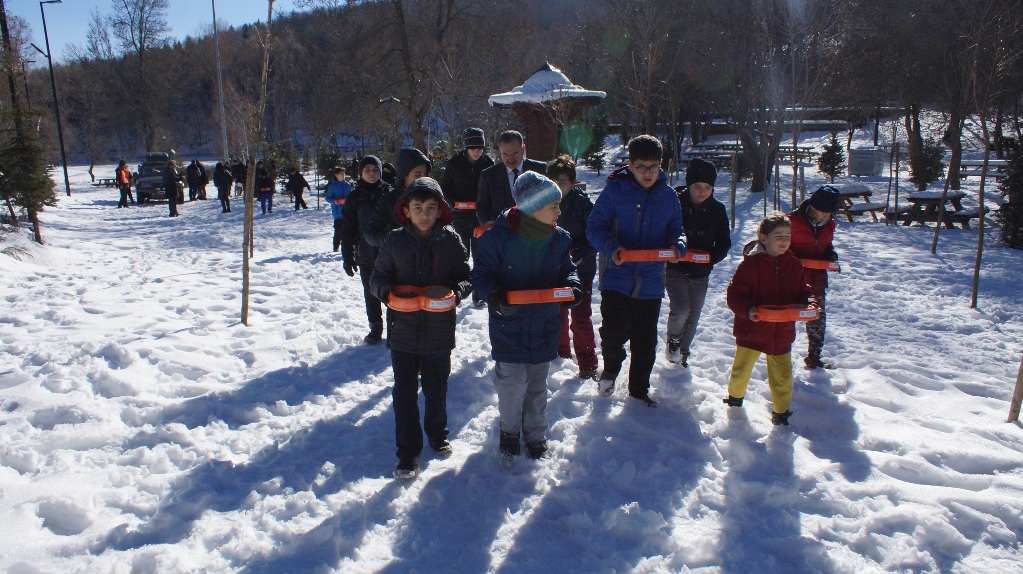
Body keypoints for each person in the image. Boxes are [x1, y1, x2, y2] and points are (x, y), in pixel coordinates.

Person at [472, 171, 582, 461]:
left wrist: (573, 286)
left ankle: (536, 434)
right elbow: (481, 275)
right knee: (510, 385)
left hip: (544, 324)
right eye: (552, 206)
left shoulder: (559, 238)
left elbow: (567, 269)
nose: (559, 211)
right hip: (509, 325)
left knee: (536, 385)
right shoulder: (498, 238)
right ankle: (509, 432)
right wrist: (494, 295)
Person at [370, 177, 473, 479]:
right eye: (418, 207)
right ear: (407, 210)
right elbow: (377, 278)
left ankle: (438, 434)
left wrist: (458, 292)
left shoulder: (451, 241)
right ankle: (407, 453)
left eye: (431, 207)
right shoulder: (394, 241)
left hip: (439, 330)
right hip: (403, 331)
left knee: (436, 388)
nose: (424, 214)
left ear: (440, 210)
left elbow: (465, 276)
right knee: (404, 393)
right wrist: (387, 293)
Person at [585, 135, 687, 406]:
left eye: (653, 167)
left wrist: (678, 245)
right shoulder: (615, 191)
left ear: (661, 165)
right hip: (616, 277)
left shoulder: (668, 196)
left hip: (651, 280)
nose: (647, 173)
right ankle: (610, 370)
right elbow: (594, 228)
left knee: (645, 340)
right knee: (614, 333)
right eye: (641, 167)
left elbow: (677, 230)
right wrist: (612, 247)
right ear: (630, 164)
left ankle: (639, 390)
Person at [723, 212, 815, 426]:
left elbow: (805, 290)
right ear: (763, 238)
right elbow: (734, 295)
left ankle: (781, 413)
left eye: (787, 236)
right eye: (778, 236)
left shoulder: (794, 265)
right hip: (752, 328)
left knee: (782, 376)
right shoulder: (750, 265)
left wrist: (811, 304)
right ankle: (735, 399)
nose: (784, 241)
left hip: (781, 331)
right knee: (741, 370)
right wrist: (748, 310)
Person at [664, 158, 732, 367]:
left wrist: (712, 256)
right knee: (681, 309)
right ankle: (674, 341)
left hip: (701, 271)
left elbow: (724, 242)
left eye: (707, 187)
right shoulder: (675, 203)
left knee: (693, 315)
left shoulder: (717, 210)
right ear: (689, 185)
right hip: (676, 267)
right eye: (697, 187)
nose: (702, 192)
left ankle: (683, 352)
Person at [546, 155, 599, 380]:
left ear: (573, 182)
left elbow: (595, 236)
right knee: (557, 314)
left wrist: (578, 254)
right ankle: (561, 354)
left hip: (581, 268)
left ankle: (587, 361)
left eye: (563, 183)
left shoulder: (583, 204)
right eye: (553, 183)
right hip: (554, 269)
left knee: (580, 315)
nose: (558, 188)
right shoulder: (543, 204)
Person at [341, 156, 392, 345]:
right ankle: (375, 326)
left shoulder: (389, 193)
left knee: (392, 292)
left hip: (390, 254)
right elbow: (347, 228)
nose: (371, 173)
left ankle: (395, 327)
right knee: (371, 292)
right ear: (361, 173)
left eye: (375, 169)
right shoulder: (355, 197)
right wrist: (347, 256)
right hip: (366, 255)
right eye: (367, 169)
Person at [787, 185, 839, 370]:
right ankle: (779, 355)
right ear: (813, 207)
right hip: (792, 279)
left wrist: (831, 257)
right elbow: (780, 247)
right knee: (786, 316)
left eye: (830, 214)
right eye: (823, 212)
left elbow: (827, 246)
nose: (826, 217)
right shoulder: (791, 222)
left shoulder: (829, 225)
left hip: (817, 280)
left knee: (817, 317)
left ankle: (814, 356)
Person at [441, 127, 495, 259]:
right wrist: (453, 202)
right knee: (461, 255)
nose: (477, 152)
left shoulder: (488, 163)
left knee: (481, 256)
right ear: (467, 148)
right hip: (460, 217)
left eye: (480, 149)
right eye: (473, 149)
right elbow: (445, 186)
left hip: (481, 218)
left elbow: (493, 188)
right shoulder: (454, 163)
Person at [475, 131, 547, 227]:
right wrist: (487, 222)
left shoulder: (540, 170)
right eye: (505, 154)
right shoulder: (489, 175)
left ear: (523, 149)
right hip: (502, 231)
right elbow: (482, 205)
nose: (510, 158)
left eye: (514, 153)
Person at [365, 148, 432, 248]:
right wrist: (394, 237)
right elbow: (371, 233)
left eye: (425, 174)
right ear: (404, 175)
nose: (422, 178)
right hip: (400, 259)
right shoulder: (389, 200)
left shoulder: (433, 197)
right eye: (417, 175)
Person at [325, 167, 352, 252]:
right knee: (338, 231)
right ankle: (336, 247)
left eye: (343, 173)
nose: (343, 175)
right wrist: (336, 201)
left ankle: (348, 246)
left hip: (348, 211)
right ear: (336, 175)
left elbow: (351, 196)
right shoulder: (332, 186)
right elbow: (328, 198)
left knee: (348, 230)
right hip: (338, 213)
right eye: (341, 173)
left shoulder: (347, 185)